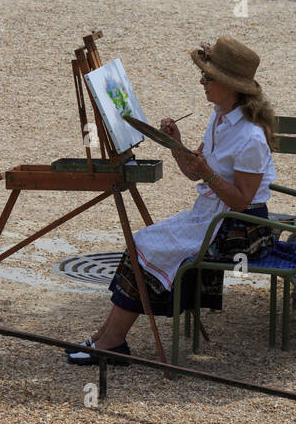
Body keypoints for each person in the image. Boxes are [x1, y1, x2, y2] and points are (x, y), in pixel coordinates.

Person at [66, 38, 277, 364]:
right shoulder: (219, 117)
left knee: (147, 245)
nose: (201, 82)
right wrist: (176, 144)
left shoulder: (250, 136)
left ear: (230, 86)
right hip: (212, 214)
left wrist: (206, 170)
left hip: (240, 228)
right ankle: (106, 336)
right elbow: (194, 174)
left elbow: (240, 201)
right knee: (141, 242)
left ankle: (112, 342)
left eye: (208, 77)